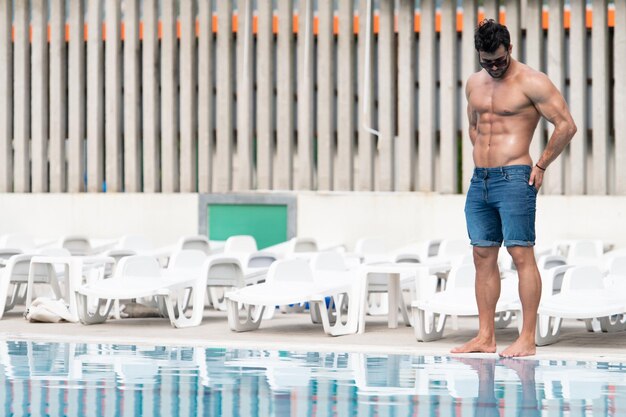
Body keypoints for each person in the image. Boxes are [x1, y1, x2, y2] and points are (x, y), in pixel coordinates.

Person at [453, 19, 577, 357]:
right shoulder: (473, 84)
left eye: (499, 60)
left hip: (515, 177)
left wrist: (541, 165)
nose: (494, 67)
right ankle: (485, 336)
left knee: (521, 254)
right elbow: (474, 126)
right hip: (481, 180)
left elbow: (566, 125)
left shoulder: (532, 82)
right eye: (486, 61)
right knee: (481, 255)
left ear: (510, 49)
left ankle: (526, 338)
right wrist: (482, 162)